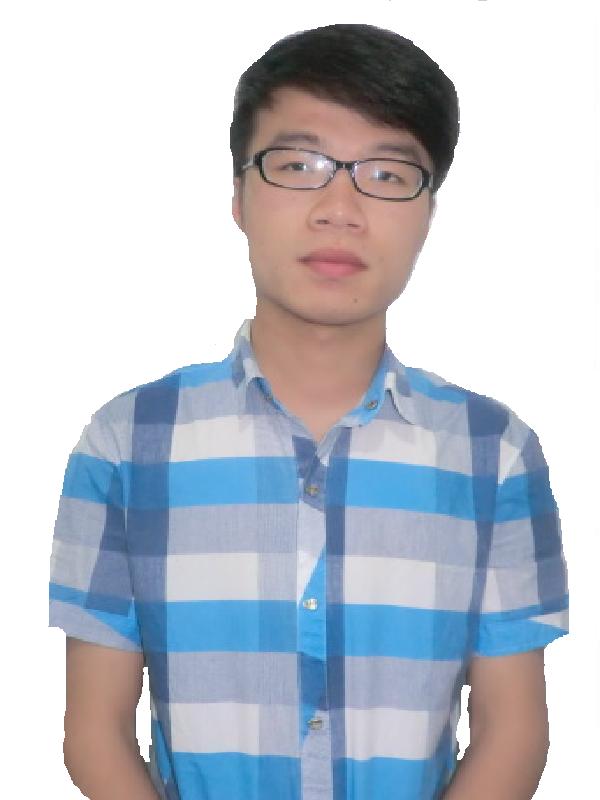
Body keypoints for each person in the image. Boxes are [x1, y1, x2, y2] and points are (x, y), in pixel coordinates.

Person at [48, 22, 569, 800]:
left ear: (428, 211)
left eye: (387, 174)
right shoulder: (127, 442)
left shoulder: (493, 452)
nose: (340, 208)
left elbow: (514, 731)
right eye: (299, 165)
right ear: (238, 195)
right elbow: (94, 734)